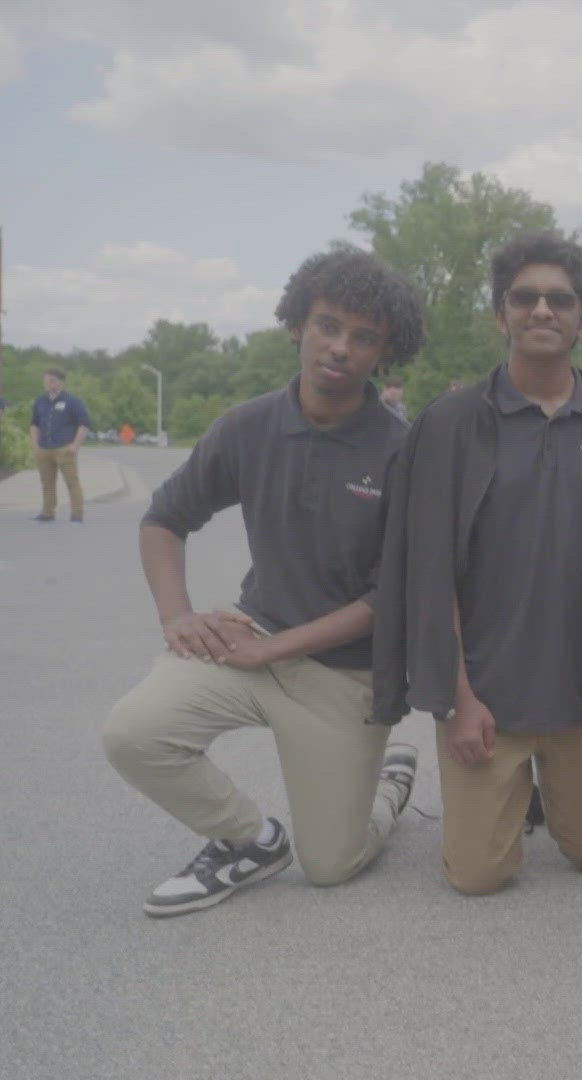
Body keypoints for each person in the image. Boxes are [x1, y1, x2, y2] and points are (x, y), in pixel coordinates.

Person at [101, 248, 424, 917]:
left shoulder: (403, 451)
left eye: (363, 338)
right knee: (133, 733)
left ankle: (388, 786)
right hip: (253, 640)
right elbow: (164, 520)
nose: (340, 348)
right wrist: (176, 617)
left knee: (332, 865)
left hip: (346, 677)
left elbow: (387, 599)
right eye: (328, 325)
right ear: (297, 324)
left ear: (385, 351)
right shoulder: (248, 426)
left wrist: (272, 650)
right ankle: (247, 840)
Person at [374, 231, 582, 896]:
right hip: (486, 701)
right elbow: (430, 575)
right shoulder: (452, 424)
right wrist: (457, 700)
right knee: (479, 876)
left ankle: (554, 788)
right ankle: (413, 788)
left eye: (561, 299)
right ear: (502, 314)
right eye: (524, 298)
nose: (542, 311)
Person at [29, 368, 92, 522]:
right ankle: (47, 512)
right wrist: (35, 444)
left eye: (52, 380)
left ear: (61, 382)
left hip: (64, 448)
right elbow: (34, 424)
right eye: (46, 380)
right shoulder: (40, 401)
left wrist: (75, 446)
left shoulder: (72, 401)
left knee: (72, 482)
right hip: (44, 448)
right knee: (47, 482)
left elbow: (84, 425)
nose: (48, 384)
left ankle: (77, 513)